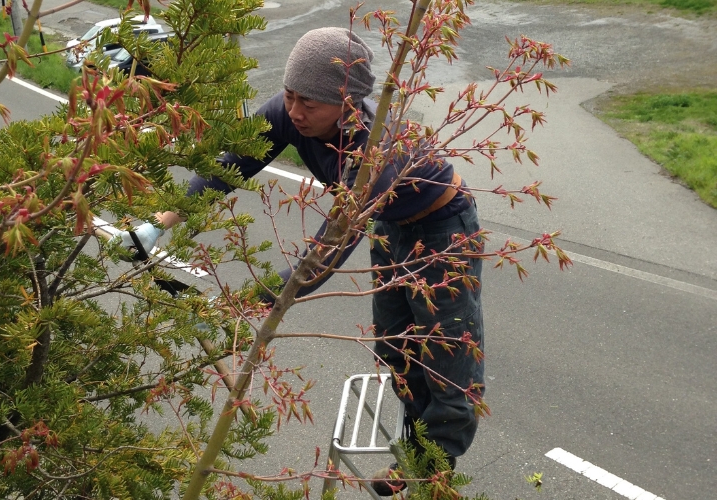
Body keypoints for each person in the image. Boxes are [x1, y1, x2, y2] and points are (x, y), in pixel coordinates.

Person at [113, 27, 484, 496]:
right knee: (396, 346)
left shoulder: (375, 150)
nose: (294, 111)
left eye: (309, 103)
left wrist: (240, 302)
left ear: (347, 103)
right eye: (289, 96)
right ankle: (417, 451)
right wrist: (156, 225)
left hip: (443, 229)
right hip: (391, 228)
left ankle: (436, 470)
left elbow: (323, 257)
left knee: (446, 359)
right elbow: (229, 168)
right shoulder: (289, 112)